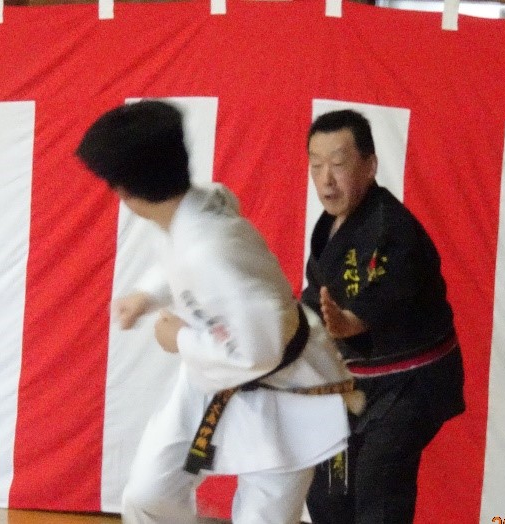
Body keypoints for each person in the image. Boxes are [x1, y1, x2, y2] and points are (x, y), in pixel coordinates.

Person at [76, 100, 356, 524]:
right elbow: (181, 259)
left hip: (285, 385)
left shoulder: (209, 251)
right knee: (147, 497)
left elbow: (258, 352)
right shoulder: (200, 205)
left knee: (264, 518)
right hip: (211, 374)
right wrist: (147, 296)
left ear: (124, 192)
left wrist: (178, 338)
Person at [302, 109, 466, 524]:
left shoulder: (393, 230)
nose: (326, 179)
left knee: (379, 482)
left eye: (339, 164)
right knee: (328, 492)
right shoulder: (331, 227)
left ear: (370, 165)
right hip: (356, 383)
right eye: (316, 166)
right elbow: (315, 300)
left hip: (411, 382)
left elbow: (386, 294)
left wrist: (349, 323)